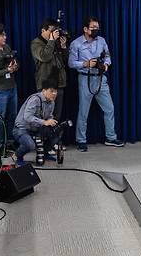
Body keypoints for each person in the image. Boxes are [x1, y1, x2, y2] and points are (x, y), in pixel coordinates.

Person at [68, 16, 124, 152]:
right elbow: (70, 63)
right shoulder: (76, 44)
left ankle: (111, 137)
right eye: (93, 28)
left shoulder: (102, 41)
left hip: (100, 78)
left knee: (109, 108)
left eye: (97, 28)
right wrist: (85, 63)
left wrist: (106, 65)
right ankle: (81, 140)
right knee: (83, 112)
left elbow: (108, 56)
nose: (95, 30)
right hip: (85, 78)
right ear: (85, 29)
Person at [13, 79, 59, 166]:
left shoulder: (52, 102)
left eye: (55, 91)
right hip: (22, 128)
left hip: (36, 128)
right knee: (30, 145)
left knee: (55, 136)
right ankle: (17, 155)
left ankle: (45, 153)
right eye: (51, 91)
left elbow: (49, 116)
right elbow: (27, 117)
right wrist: (44, 122)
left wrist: (51, 121)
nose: (54, 94)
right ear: (44, 90)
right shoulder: (35, 99)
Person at [31, 18, 69, 121]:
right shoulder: (36, 43)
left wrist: (63, 46)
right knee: (44, 116)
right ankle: (43, 136)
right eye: (51, 31)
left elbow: (66, 60)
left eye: (55, 31)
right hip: (45, 85)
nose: (54, 34)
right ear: (43, 30)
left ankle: (55, 136)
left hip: (59, 83)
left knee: (57, 115)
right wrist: (51, 41)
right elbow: (44, 57)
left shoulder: (56, 43)